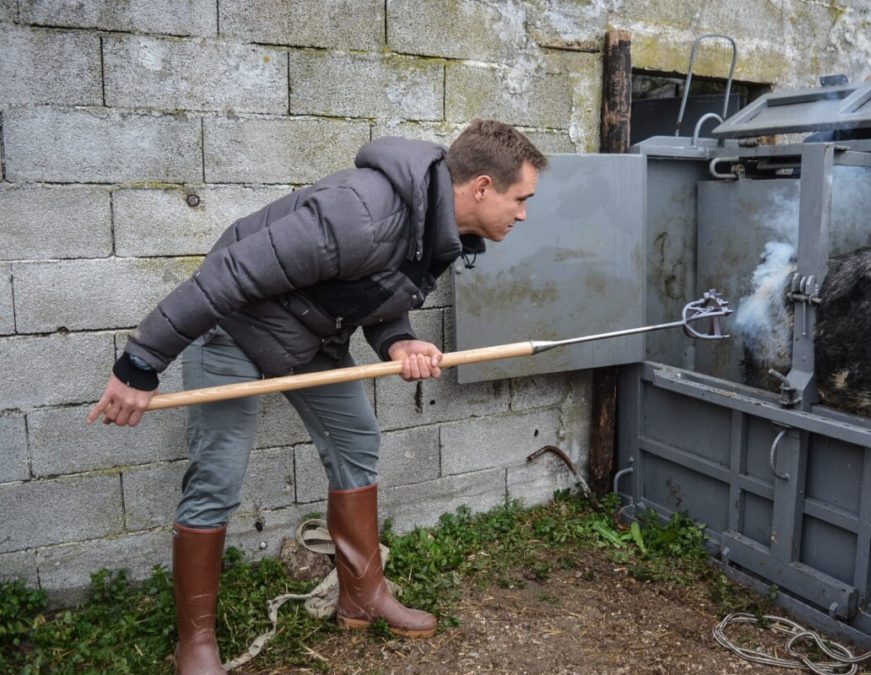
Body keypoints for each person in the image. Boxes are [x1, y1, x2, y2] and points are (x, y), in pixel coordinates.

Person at [87, 119, 548, 674]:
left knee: (357, 438)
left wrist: (398, 341)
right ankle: (197, 642)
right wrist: (140, 363)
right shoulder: (359, 211)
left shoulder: (435, 224)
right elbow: (228, 275)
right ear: (480, 187)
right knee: (219, 473)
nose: (523, 214)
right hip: (235, 329)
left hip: (310, 335)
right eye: (520, 199)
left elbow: (379, 292)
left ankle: (361, 597)